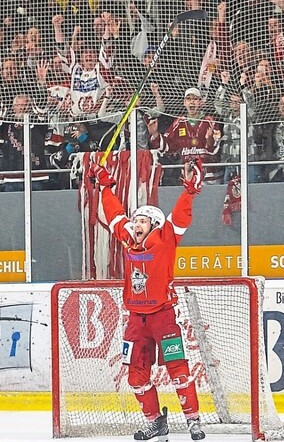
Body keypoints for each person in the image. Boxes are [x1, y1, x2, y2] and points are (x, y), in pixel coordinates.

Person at [87, 157, 206, 442]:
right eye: (136, 220)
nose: (135, 224)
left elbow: (179, 217)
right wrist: (105, 186)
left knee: (178, 369)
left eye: (141, 221)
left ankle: (193, 420)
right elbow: (115, 214)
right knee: (136, 377)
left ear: (154, 225)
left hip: (163, 316)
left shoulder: (165, 238)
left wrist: (189, 192)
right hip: (135, 322)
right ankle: (155, 423)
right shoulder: (130, 239)